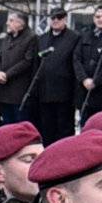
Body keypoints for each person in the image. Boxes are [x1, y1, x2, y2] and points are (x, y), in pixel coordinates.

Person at [30, 8, 82, 145]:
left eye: (59, 17)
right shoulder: (42, 39)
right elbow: (36, 64)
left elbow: (76, 63)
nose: (55, 20)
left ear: (65, 19)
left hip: (65, 93)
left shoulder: (74, 38)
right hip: (45, 92)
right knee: (47, 129)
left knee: (64, 129)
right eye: (53, 17)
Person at [0, 11, 39, 119]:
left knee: (20, 125)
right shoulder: (7, 38)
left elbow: (27, 61)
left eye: (11, 20)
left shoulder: (31, 38)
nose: (7, 23)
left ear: (21, 24)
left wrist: (7, 74)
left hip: (19, 92)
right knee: (7, 124)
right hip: (3, 90)